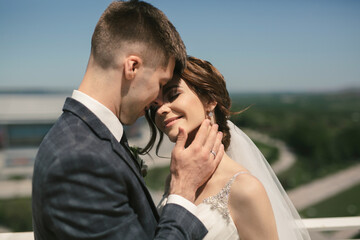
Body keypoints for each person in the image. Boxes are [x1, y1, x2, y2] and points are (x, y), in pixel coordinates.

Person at [32, 1, 224, 239]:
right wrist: (183, 191)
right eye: (161, 84)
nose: (158, 101)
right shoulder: (80, 160)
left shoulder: (79, 134)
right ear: (132, 67)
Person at [144, 56, 311, 239]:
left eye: (173, 95)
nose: (161, 110)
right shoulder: (175, 177)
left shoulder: (245, 188)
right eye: (154, 105)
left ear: (210, 100)